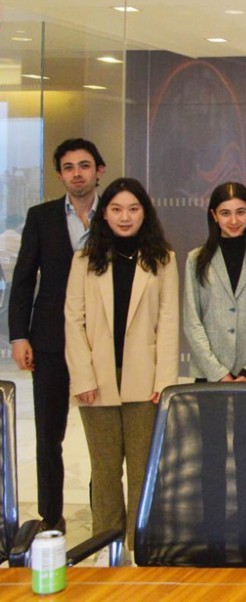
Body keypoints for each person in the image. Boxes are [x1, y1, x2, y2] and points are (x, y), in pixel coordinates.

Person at [64, 177, 179, 558]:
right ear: (105, 214)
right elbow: (73, 320)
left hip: (145, 380)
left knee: (144, 468)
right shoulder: (85, 259)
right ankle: (107, 545)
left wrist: (164, 381)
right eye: (116, 209)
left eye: (132, 209)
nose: (125, 217)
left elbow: (168, 322)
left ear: (145, 213)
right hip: (96, 379)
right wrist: (82, 376)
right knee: (105, 469)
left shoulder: (162, 258)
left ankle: (138, 544)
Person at [10, 138, 105, 534]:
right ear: (60, 175)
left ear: (99, 170)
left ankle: (105, 514)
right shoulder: (41, 217)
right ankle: (51, 517)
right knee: (49, 435)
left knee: (102, 436)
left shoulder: (116, 213)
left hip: (101, 340)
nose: (77, 174)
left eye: (84, 165)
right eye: (68, 167)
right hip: (49, 338)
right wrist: (18, 336)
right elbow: (23, 278)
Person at [182, 182, 246, 559]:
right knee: (211, 457)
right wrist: (218, 371)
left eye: (240, 212)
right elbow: (192, 320)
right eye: (225, 213)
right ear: (213, 216)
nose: (234, 220)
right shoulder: (196, 259)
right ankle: (215, 538)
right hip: (210, 376)